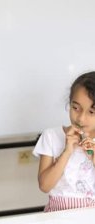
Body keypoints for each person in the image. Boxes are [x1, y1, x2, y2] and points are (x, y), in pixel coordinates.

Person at [33, 71, 95, 212]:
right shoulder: (51, 136)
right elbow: (45, 186)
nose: (80, 119)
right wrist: (67, 152)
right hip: (57, 216)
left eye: (91, 112)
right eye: (76, 108)